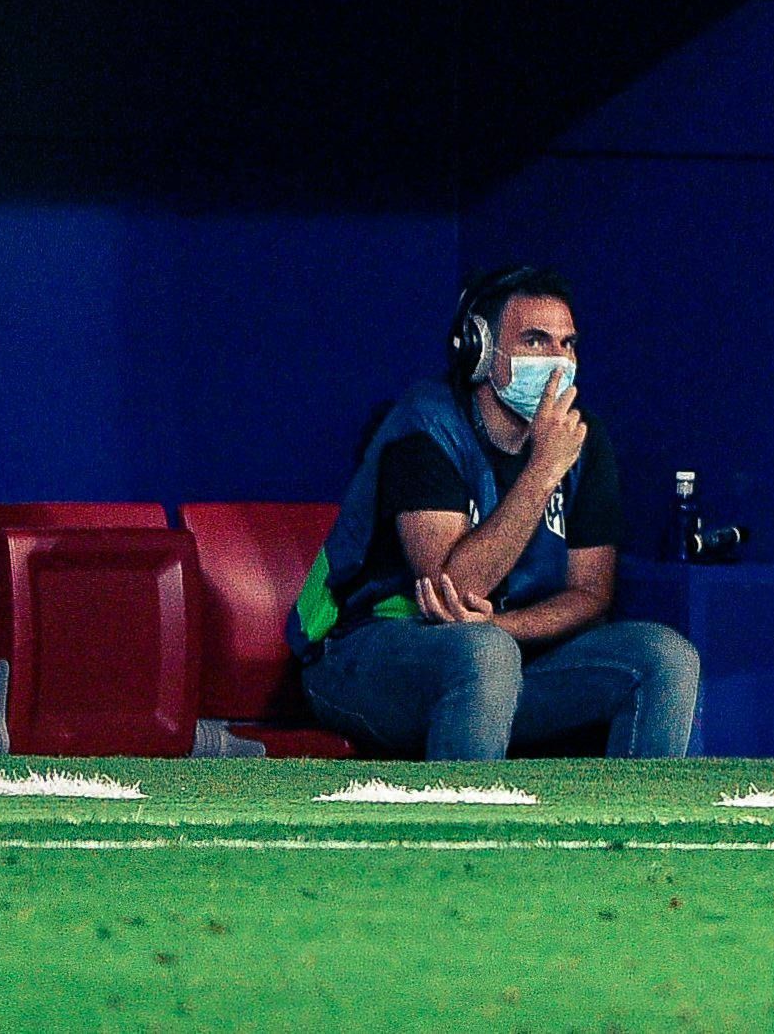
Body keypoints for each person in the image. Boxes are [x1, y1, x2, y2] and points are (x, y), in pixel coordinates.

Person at [293, 264, 700, 761]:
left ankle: (632, 837)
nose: (556, 361)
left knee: (665, 658)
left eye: (567, 344)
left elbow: (591, 594)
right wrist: (543, 472)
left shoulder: (581, 439)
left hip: (500, 658)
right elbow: (453, 589)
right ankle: (469, 835)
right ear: (479, 351)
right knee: (484, 656)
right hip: (366, 656)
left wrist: (506, 628)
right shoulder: (425, 426)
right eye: (535, 341)